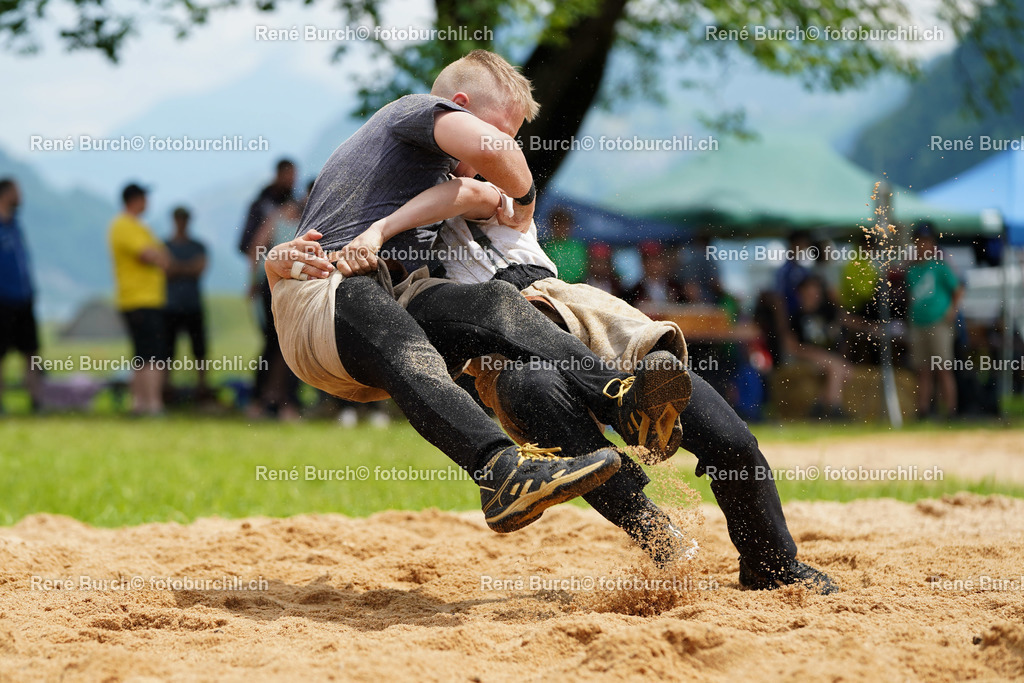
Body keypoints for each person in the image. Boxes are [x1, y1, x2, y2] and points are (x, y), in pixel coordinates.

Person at [266, 50, 693, 541]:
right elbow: (498, 156)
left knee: (494, 304)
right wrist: (527, 193)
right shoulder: (410, 111)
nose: (508, 146)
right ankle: (499, 470)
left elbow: (478, 194)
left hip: (390, 305)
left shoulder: (444, 180)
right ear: (458, 106)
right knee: (390, 321)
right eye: (501, 129)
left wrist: (383, 230)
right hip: (326, 299)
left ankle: (621, 402)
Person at [366, 172, 838, 592]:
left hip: (584, 318)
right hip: (502, 356)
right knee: (539, 400)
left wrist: (383, 227)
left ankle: (771, 564)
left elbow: (467, 187)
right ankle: (655, 532)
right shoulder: (392, 210)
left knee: (728, 438)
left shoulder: (496, 179)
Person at [109, 183, 170, 416]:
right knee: (153, 354)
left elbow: (162, 255)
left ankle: (139, 403)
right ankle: (153, 404)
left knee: (142, 354)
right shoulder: (125, 225)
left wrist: (160, 256)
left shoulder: (138, 226)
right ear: (135, 199)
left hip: (143, 299)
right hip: (140, 299)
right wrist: (159, 257)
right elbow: (151, 255)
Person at [247, 195, 303, 421]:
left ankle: (272, 400)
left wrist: (252, 280)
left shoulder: (280, 219)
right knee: (279, 344)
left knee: (279, 345)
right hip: (278, 286)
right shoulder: (283, 220)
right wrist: (254, 280)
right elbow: (257, 248)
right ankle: (271, 401)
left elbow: (256, 249)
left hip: (284, 287)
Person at [907, 223, 962, 419]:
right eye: (919, 242)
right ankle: (923, 410)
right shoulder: (912, 270)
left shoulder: (940, 267)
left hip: (938, 322)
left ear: (932, 244)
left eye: (926, 242)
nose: (922, 246)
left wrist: (952, 310)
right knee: (923, 370)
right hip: (919, 322)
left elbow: (958, 288)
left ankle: (950, 410)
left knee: (943, 368)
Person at [0, 177, 42, 413]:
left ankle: (37, 401)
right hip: (2, 300)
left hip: (24, 299)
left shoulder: (15, 225)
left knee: (32, 352)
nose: (21, 196)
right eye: (17, 191)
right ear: (5, 193)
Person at [788, 274, 851, 419]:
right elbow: (792, 346)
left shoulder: (827, 311)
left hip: (827, 356)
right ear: (801, 293)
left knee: (847, 371)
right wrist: (812, 353)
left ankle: (820, 406)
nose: (814, 294)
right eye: (809, 290)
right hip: (808, 356)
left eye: (816, 290)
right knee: (837, 368)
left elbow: (844, 320)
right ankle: (835, 408)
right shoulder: (797, 316)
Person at [164, 206, 210, 399]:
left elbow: (197, 268)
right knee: (167, 350)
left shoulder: (197, 246)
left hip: (191, 304)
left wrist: (176, 268)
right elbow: (166, 270)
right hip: (171, 305)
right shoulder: (165, 245)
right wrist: (187, 268)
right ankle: (165, 388)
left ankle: (202, 387)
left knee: (199, 350)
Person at [238, 159, 296, 256]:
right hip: (263, 258)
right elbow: (246, 242)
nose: (291, 180)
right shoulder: (261, 205)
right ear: (279, 175)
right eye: (288, 176)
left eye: (293, 176)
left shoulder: (293, 203)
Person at [626, 240, 687, 306]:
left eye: (657, 259)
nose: (653, 264)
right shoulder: (634, 291)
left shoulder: (676, 288)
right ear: (643, 263)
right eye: (649, 260)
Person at [541, 207, 587, 284]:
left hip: (575, 286)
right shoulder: (545, 246)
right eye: (559, 224)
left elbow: (583, 272)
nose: (562, 228)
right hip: (552, 284)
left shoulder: (579, 247)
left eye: (565, 224)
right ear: (552, 226)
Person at [775, 229, 815, 317]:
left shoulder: (803, 270)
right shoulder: (784, 271)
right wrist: (784, 327)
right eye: (802, 244)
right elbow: (779, 299)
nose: (804, 248)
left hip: (802, 316)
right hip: (790, 316)